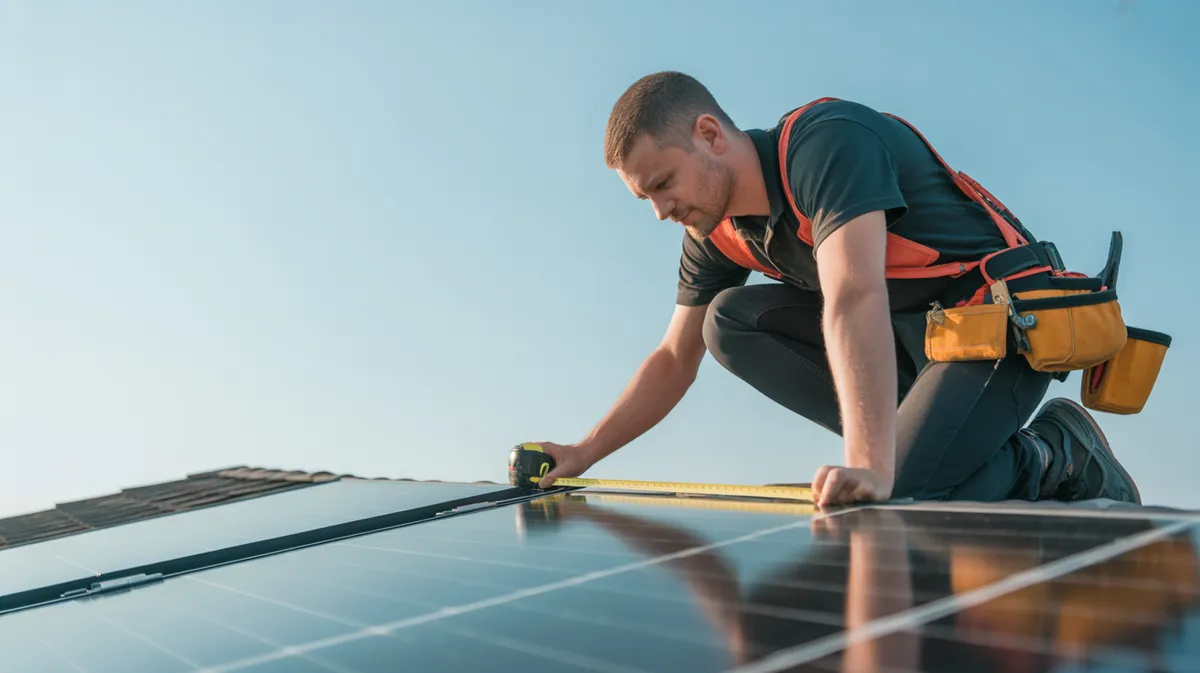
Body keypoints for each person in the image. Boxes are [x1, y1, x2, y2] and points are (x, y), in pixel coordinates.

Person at [524, 71, 1141, 508]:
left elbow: (854, 297)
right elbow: (672, 359)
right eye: (646, 198)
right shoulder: (716, 231)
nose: (661, 212)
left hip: (1000, 329)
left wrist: (871, 465)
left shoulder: (825, 144)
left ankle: (1059, 449)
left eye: (663, 183)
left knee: (899, 493)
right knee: (725, 321)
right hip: (917, 348)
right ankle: (930, 450)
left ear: (710, 134)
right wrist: (584, 452)